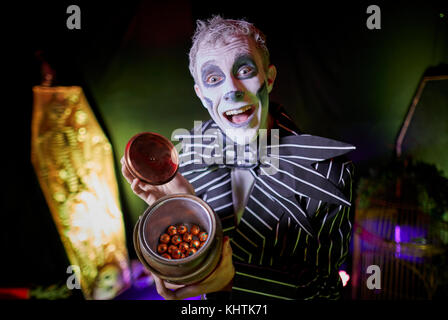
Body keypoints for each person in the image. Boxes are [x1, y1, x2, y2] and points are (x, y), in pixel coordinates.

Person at [121, 15, 354, 300]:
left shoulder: (329, 173)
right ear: (201, 94)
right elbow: (192, 253)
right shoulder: (188, 158)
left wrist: (235, 280)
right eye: (214, 79)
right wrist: (184, 209)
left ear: (268, 79)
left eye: (244, 70)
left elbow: (325, 291)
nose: (231, 89)